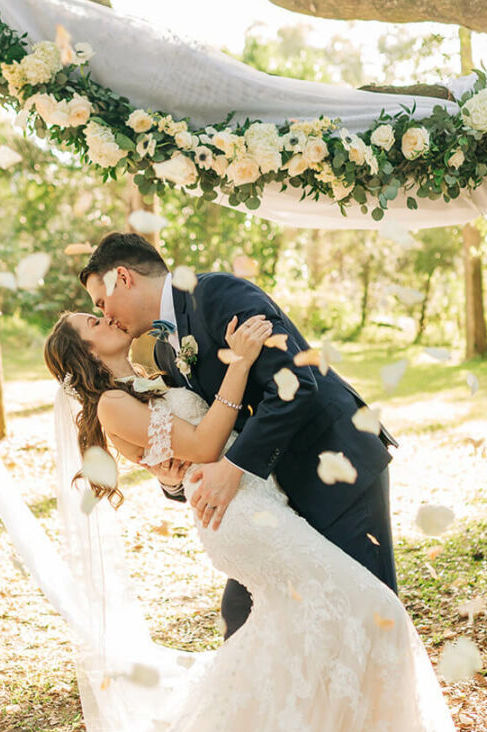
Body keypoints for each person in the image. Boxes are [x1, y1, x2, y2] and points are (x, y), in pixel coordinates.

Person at [43, 304, 462, 732]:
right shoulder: (110, 403)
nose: (105, 317)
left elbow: (183, 452)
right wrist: (238, 363)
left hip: (257, 502)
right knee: (373, 607)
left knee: (293, 629)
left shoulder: (147, 377)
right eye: (92, 323)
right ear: (84, 354)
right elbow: (205, 444)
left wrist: (170, 470)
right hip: (239, 519)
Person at [78, 232, 399, 638]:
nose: (106, 315)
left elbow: (294, 384)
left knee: (370, 615)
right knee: (247, 621)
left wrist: (233, 468)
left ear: (123, 277)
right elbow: (205, 430)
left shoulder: (218, 294)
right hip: (272, 495)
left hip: (334, 464)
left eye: (102, 303)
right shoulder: (162, 350)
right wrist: (173, 477)